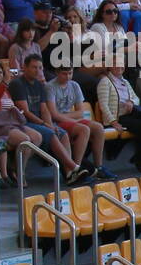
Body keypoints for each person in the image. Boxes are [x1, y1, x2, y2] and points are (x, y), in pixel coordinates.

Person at [9, 53, 91, 183]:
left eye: (40, 68)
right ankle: (73, 166)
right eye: (34, 67)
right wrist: (45, 125)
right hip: (24, 122)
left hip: (38, 123)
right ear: (24, 67)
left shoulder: (39, 85)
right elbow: (25, 112)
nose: (38, 71)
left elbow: (44, 109)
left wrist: (50, 124)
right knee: (51, 133)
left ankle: (69, 174)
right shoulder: (17, 84)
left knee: (62, 133)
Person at [47, 61, 113, 180]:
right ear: (57, 73)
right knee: (84, 129)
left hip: (68, 119)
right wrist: (73, 118)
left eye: (70, 73)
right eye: (64, 74)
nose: (67, 77)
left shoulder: (74, 85)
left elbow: (80, 112)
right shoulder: (50, 87)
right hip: (57, 122)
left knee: (98, 128)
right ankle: (76, 169)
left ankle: (99, 167)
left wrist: (71, 118)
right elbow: (53, 114)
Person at [96, 58, 141, 174]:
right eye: (115, 64)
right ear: (109, 67)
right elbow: (103, 105)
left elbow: (136, 99)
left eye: (121, 64)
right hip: (119, 117)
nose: (119, 66)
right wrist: (114, 122)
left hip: (130, 114)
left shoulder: (125, 81)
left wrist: (131, 102)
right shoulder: (105, 82)